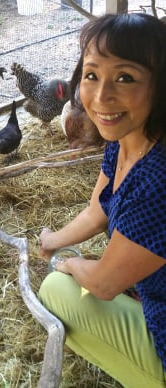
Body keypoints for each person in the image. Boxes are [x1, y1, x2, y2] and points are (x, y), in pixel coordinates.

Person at [38, 13, 166, 388]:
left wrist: (70, 264)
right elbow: (98, 210)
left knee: (55, 290)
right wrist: (52, 240)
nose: (100, 97)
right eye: (92, 75)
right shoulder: (126, 139)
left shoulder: (157, 179)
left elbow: (106, 284)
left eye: (125, 77)